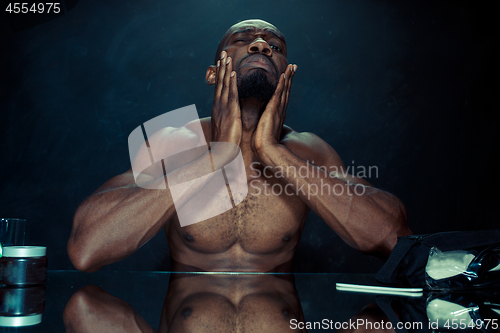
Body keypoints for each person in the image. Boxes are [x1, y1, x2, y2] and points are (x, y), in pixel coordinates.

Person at [67, 19, 412, 273]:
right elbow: (86, 250)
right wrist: (215, 156)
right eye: (243, 40)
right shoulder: (172, 139)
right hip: (190, 315)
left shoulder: (309, 150)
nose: (261, 45)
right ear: (213, 74)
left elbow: (395, 240)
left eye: (274, 47)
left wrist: (273, 151)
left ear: (283, 76)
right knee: (86, 311)